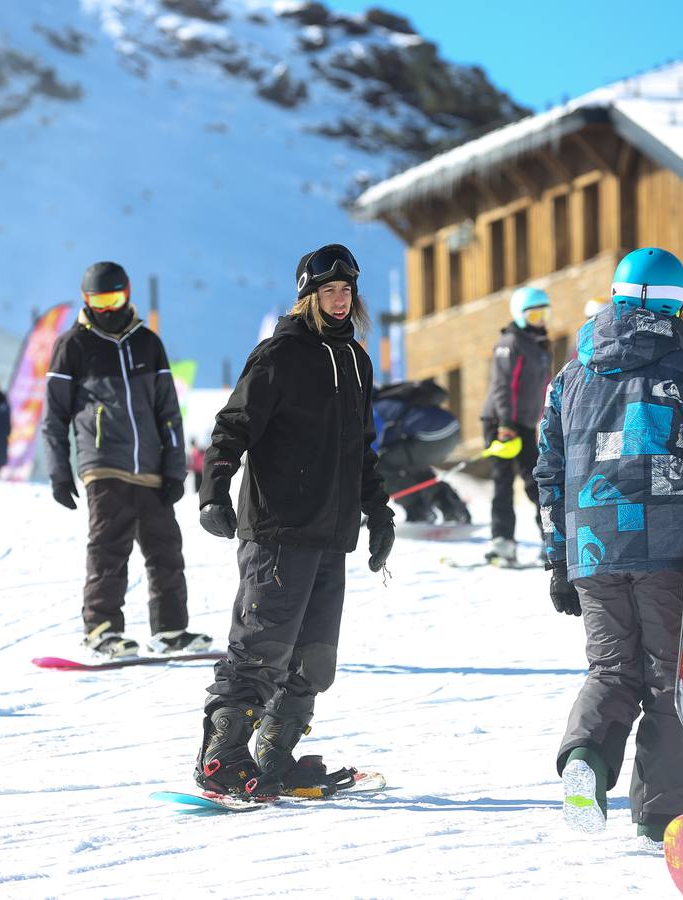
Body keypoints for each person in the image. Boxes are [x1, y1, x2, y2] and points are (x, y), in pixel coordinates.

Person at [534, 247, 683, 846]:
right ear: (678, 303)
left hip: (592, 547)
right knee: (669, 678)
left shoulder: (569, 377)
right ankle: (659, 817)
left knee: (610, 669)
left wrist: (559, 557)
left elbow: (549, 471)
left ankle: (586, 759)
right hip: (664, 548)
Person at [194, 243, 395, 798]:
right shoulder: (278, 354)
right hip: (279, 530)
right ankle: (221, 758)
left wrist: (379, 513)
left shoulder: (356, 360)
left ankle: (273, 755)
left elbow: (361, 449)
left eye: (347, 290)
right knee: (260, 651)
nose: (340, 299)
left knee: (315, 660)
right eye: (329, 290)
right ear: (308, 297)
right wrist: (214, 491)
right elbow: (232, 427)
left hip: (331, 535)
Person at [42, 261, 208, 658]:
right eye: (98, 301)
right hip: (103, 463)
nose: (106, 309)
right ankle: (101, 630)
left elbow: (168, 412)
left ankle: (170, 630)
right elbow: (54, 417)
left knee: (166, 550)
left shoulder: (147, 343)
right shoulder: (73, 345)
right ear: (86, 300)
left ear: (127, 294)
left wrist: (175, 469)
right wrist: (59, 472)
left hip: (151, 467)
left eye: (113, 299)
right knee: (109, 549)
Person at [481, 286, 552, 562]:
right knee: (503, 481)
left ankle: (550, 540)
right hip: (501, 421)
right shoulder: (509, 343)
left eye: (544, 314)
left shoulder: (539, 345)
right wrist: (505, 423)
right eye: (534, 315)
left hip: (524, 422)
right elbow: (503, 385)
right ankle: (502, 542)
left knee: (536, 481)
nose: (541, 320)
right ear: (520, 315)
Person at [373, 379, 471, 525]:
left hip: (432, 435)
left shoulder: (373, 409)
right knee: (411, 467)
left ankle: (419, 511)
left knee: (380, 469)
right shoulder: (388, 398)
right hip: (451, 430)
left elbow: (371, 448)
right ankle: (452, 508)